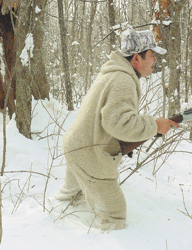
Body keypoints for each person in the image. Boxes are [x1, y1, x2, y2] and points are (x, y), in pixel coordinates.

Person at [56, 29, 179, 230]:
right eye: (152, 54)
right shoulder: (123, 79)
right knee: (115, 216)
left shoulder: (116, 73)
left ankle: (56, 225)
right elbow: (118, 123)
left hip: (78, 145)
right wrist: (155, 126)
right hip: (89, 154)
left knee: (71, 198)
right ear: (137, 58)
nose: (155, 59)